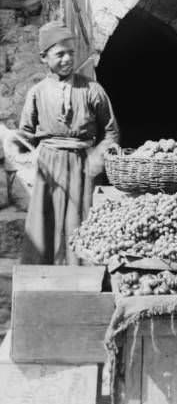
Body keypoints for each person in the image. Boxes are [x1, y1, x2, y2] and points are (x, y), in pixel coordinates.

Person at [6, 21, 119, 264]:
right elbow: (25, 133)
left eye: (71, 52)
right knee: (46, 223)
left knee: (80, 222)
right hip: (49, 167)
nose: (67, 59)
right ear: (44, 57)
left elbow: (110, 133)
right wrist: (19, 148)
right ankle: (43, 280)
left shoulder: (92, 90)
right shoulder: (37, 93)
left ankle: (82, 281)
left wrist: (95, 162)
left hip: (82, 165)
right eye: (60, 54)